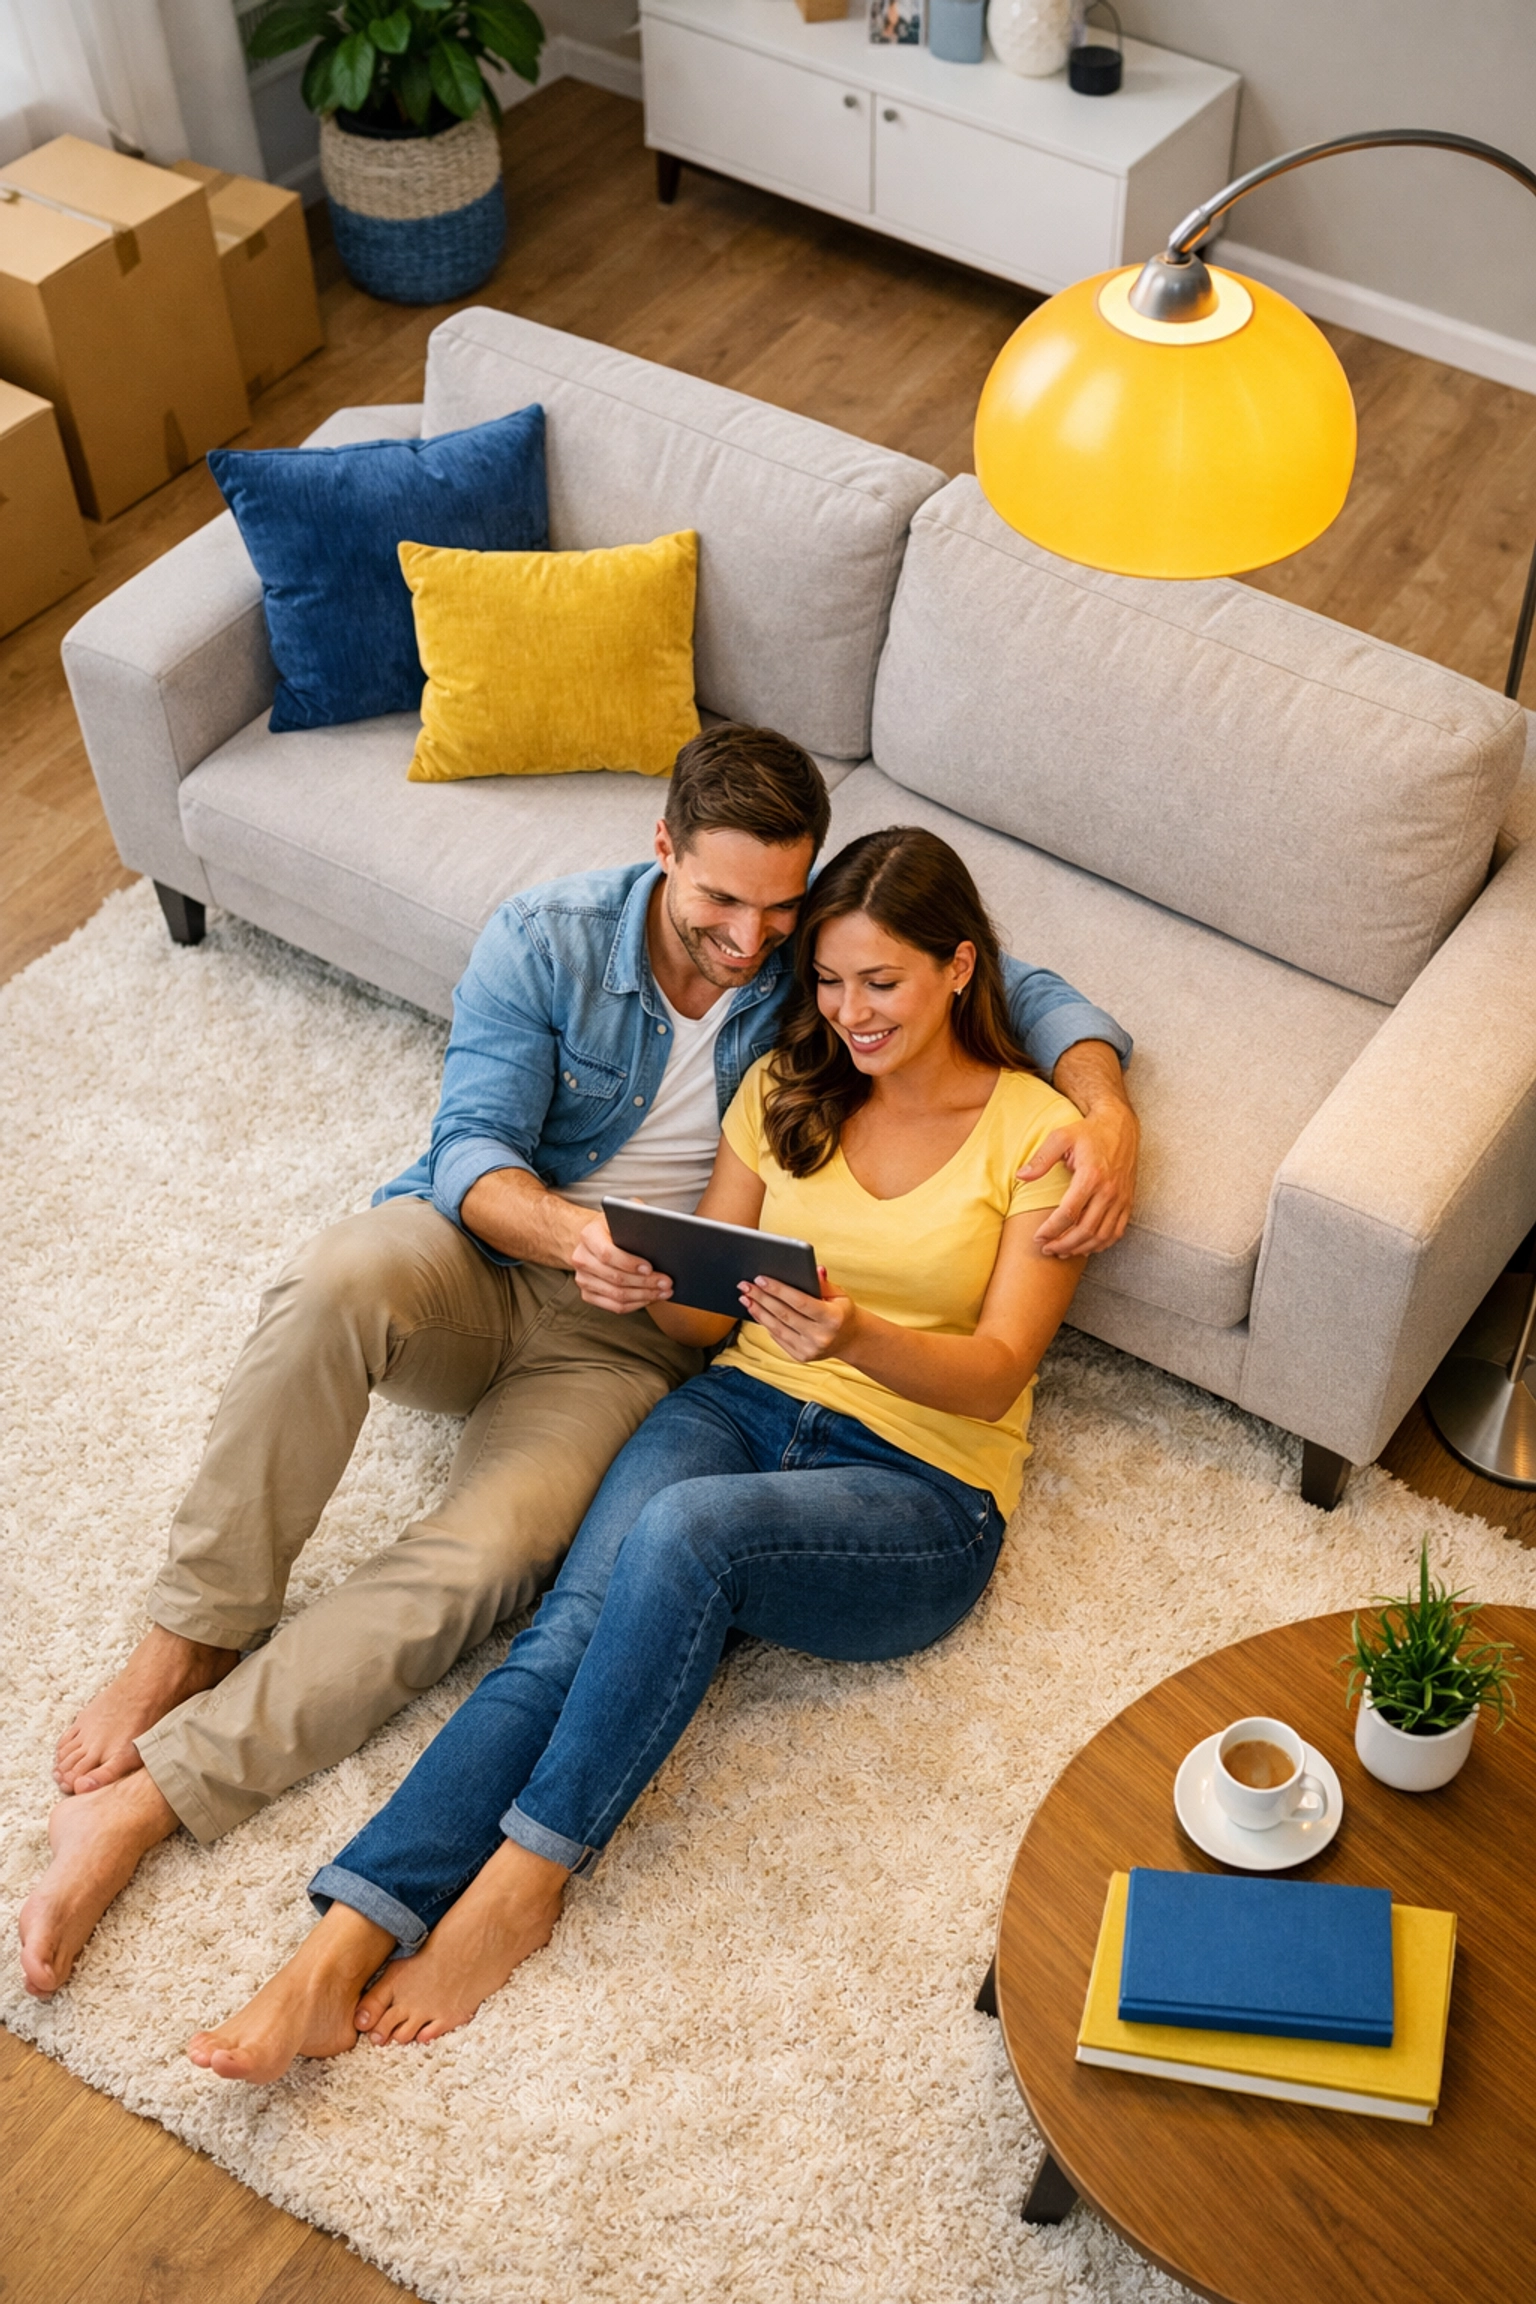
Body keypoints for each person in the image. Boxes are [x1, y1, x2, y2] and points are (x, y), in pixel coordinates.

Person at [20, 731, 1136, 2001]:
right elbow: (471, 1153)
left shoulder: (818, 974)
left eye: (785, 910)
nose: (755, 942)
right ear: (662, 850)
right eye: (723, 901)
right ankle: (191, 1636)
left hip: (640, 1345)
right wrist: (580, 1239)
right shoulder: (555, 942)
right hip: (488, 1255)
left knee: (497, 1569)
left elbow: (1009, 990)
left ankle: (178, 1804)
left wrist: (1105, 1109)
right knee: (334, 1278)